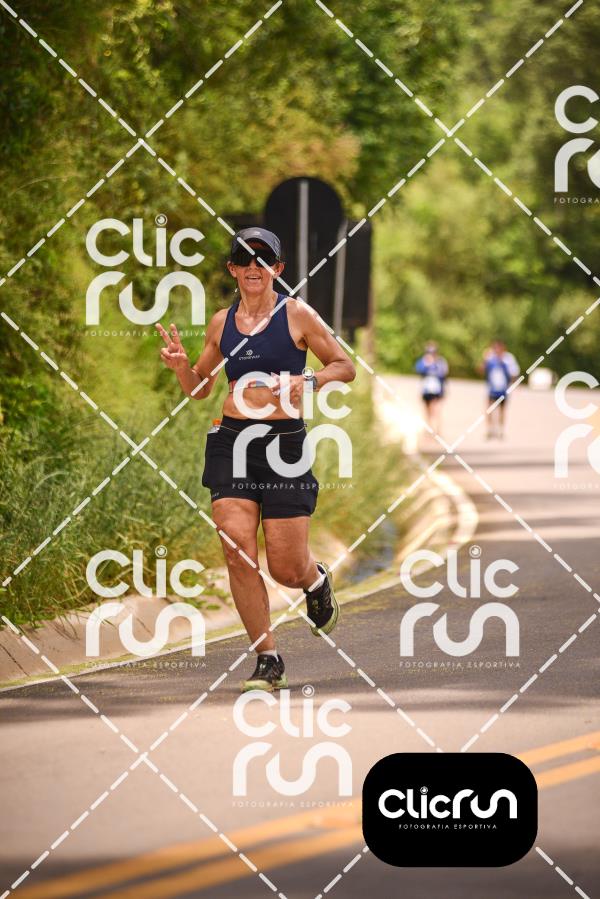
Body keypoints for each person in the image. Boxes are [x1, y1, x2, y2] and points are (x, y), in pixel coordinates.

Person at [157, 227, 356, 692]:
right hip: (232, 442)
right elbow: (200, 388)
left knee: (285, 567)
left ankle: (313, 581)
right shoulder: (221, 323)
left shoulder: (298, 315)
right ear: (232, 269)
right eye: (244, 260)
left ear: (277, 269)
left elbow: (345, 366)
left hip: (284, 447)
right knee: (236, 549)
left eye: (263, 260)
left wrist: (308, 382)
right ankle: (268, 659)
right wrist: (182, 367)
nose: (253, 267)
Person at [481, 339, 520, 439]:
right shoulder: (490, 357)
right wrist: (485, 359)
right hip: (491, 389)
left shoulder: (509, 359)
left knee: (502, 411)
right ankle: (490, 430)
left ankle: (501, 430)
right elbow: (481, 370)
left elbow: (514, 373)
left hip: (503, 389)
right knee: (489, 409)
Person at [415, 341, 448, 435]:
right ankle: (428, 430)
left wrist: (434, 364)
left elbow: (443, 373)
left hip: (437, 390)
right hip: (426, 390)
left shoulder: (440, 362)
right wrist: (426, 364)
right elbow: (418, 370)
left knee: (436, 410)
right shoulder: (423, 361)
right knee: (427, 410)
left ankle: (437, 430)